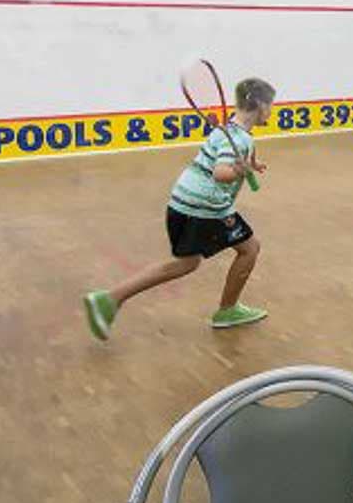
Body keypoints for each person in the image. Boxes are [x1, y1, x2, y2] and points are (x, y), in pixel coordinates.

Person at [83, 77, 275, 338]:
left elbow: (223, 158)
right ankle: (227, 311)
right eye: (270, 104)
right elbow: (220, 172)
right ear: (260, 105)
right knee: (250, 248)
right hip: (205, 208)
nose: (271, 110)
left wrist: (249, 165)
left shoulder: (227, 128)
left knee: (186, 263)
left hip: (181, 202)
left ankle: (109, 299)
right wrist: (237, 171)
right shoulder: (238, 139)